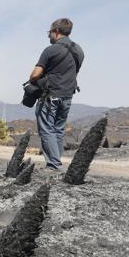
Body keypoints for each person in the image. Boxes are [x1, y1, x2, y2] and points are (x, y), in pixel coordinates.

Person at [29, 18, 84, 171]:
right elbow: (72, 72)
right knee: (58, 129)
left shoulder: (51, 50)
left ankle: (54, 165)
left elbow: (35, 75)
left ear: (57, 31)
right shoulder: (79, 51)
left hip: (50, 95)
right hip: (67, 95)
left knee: (46, 129)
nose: (49, 36)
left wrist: (33, 81)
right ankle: (56, 162)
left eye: (50, 32)